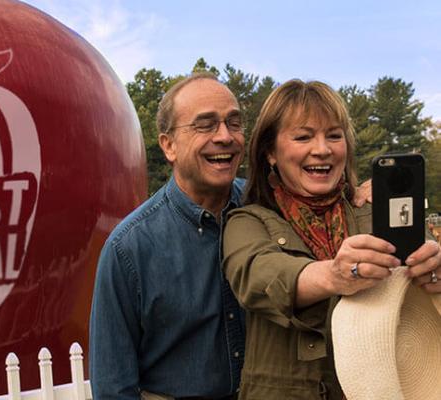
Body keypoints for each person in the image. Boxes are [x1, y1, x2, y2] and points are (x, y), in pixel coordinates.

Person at [222, 79, 441, 399]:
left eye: (334, 136)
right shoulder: (249, 221)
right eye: (303, 136)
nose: (322, 149)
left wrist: (435, 271)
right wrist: (334, 274)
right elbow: (258, 276)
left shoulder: (378, 211)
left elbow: (427, 285)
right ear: (270, 152)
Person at [89, 73, 246, 399]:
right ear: (168, 145)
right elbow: (113, 387)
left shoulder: (267, 208)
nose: (225, 136)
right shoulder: (128, 249)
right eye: (205, 125)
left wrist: (367, 191)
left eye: (234, 122)